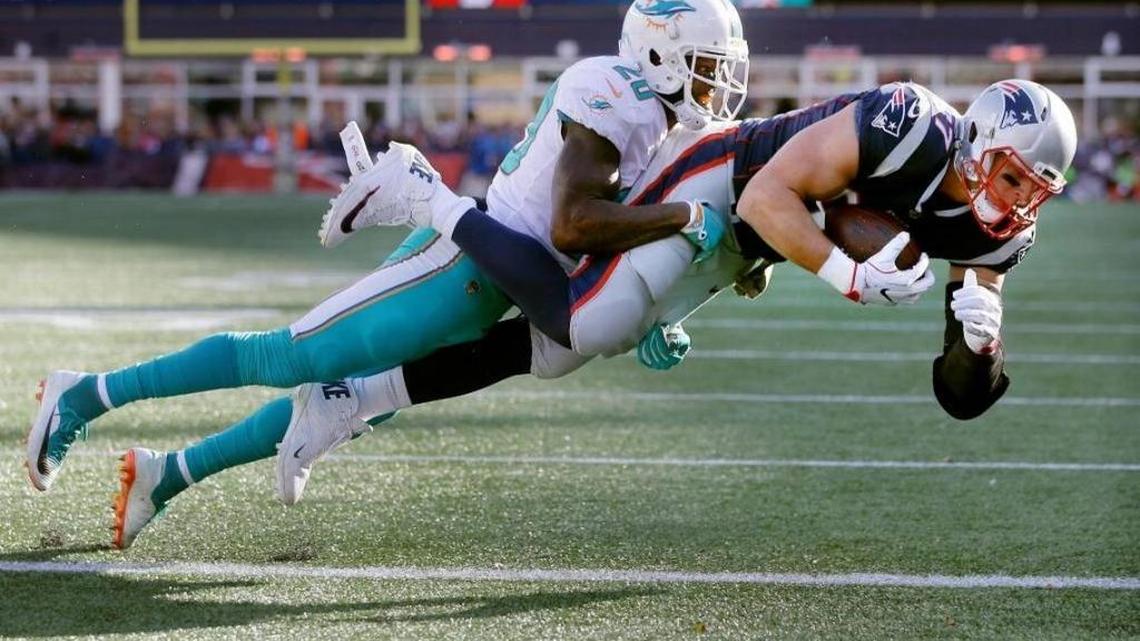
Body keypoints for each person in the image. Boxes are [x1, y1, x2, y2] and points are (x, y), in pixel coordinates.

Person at [25, 0, 752, 550]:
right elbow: (573, 224)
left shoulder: (668, 128)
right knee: (292, 355)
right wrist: (685, 220)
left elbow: (616, 244)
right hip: (463, 266)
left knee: (348, 399)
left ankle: (169, 473)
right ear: (658, 54)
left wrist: (666, 315)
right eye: (707, 64)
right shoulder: (615, 91)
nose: (718, 83)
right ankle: (85, 394)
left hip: (510, 282)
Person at [279, 78, 1075, 504]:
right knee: (587, 325)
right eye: (1012, 177)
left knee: (556, 353)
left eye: (1035, 193)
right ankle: (433, 200)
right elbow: (768, 195)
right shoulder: (908, 123)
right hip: (724, 179)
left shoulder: (997, 233)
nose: (1017, 204)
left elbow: (959, 398)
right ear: (978, 142)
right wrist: (851, 276)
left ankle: (361, 391)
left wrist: (982, 347)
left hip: (750, 241)